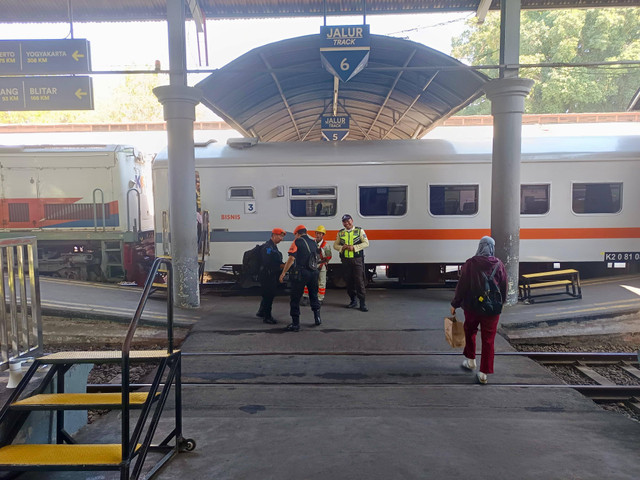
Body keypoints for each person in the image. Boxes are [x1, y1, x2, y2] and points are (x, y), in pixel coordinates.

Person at [450, 236, 507, 385]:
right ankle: (484, 373)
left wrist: (455, 304)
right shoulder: (499, 264)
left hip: (472, 307)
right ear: (492, 248)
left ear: (480, 247)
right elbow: (504, 287)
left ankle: (471, 361)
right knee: (489, 340)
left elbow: (462, 286)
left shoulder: (470, 264)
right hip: (492, 309)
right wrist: (500, 304)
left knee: (470, 331)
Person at [279, 225, 321, 332]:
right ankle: (317, 318)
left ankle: (295, 324)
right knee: (314, 295)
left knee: (295, 298)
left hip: (302, 274)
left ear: (297, 233)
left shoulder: (297, 242)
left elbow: (292, 258)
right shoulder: (313, 242)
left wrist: (284, 272)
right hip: (314, 273)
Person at [333, 214, 369, 312]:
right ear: (343, 223)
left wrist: (354, 248)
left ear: (352, 220)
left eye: (348, 221)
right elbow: (335, 245)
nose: (347, 223)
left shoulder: (359, 231)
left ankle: (362, 303)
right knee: (348, 281)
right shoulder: (341, 233)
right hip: (345, 261)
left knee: (359, 281)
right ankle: (353, 301)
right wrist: (341, 248)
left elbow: (366, 243)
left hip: (357, 260)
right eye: (344, 221)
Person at [256, 227, 286, 325]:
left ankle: (261, 312)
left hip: (269, 274)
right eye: (280, 236)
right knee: (269, 295)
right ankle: (267, 317)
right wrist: (282, 266)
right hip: (267, 275)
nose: (282, 239)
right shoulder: (268, 247)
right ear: (274, 236)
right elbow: (268, 263)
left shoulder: (272, 246)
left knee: (266, 295)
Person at [301, 225, 332, 305]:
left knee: (321, 282)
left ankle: (320, 299)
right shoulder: (311, 243)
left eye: (320, 233)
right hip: (311, 264)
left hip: (321, 265)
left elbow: (329, 256)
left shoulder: (326, 245)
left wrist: (322, 254)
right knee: (307, 281)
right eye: (317, 233)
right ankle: (305, 297)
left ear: (323, 235)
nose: (318, 235)